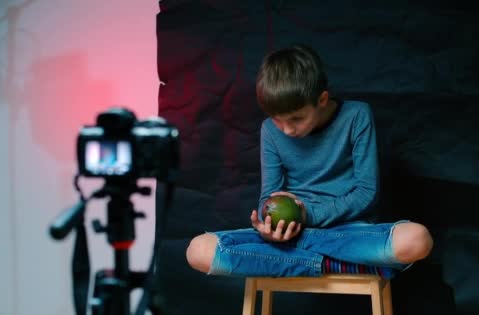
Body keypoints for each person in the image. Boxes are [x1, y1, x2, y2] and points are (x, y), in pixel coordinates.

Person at [186, 44, 433, 278]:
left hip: (345, 233)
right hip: (292, 234)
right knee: (198, 250)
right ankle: (333, 264)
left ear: (322, 100)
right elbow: (269, 197)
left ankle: (299, 261)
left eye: (296, 118)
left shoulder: (356, 116)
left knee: (417, 239)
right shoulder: (269, 131)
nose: (287, 130)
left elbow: (366, 193)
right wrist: (269, 225)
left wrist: (308, 217)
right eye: (277, 120)